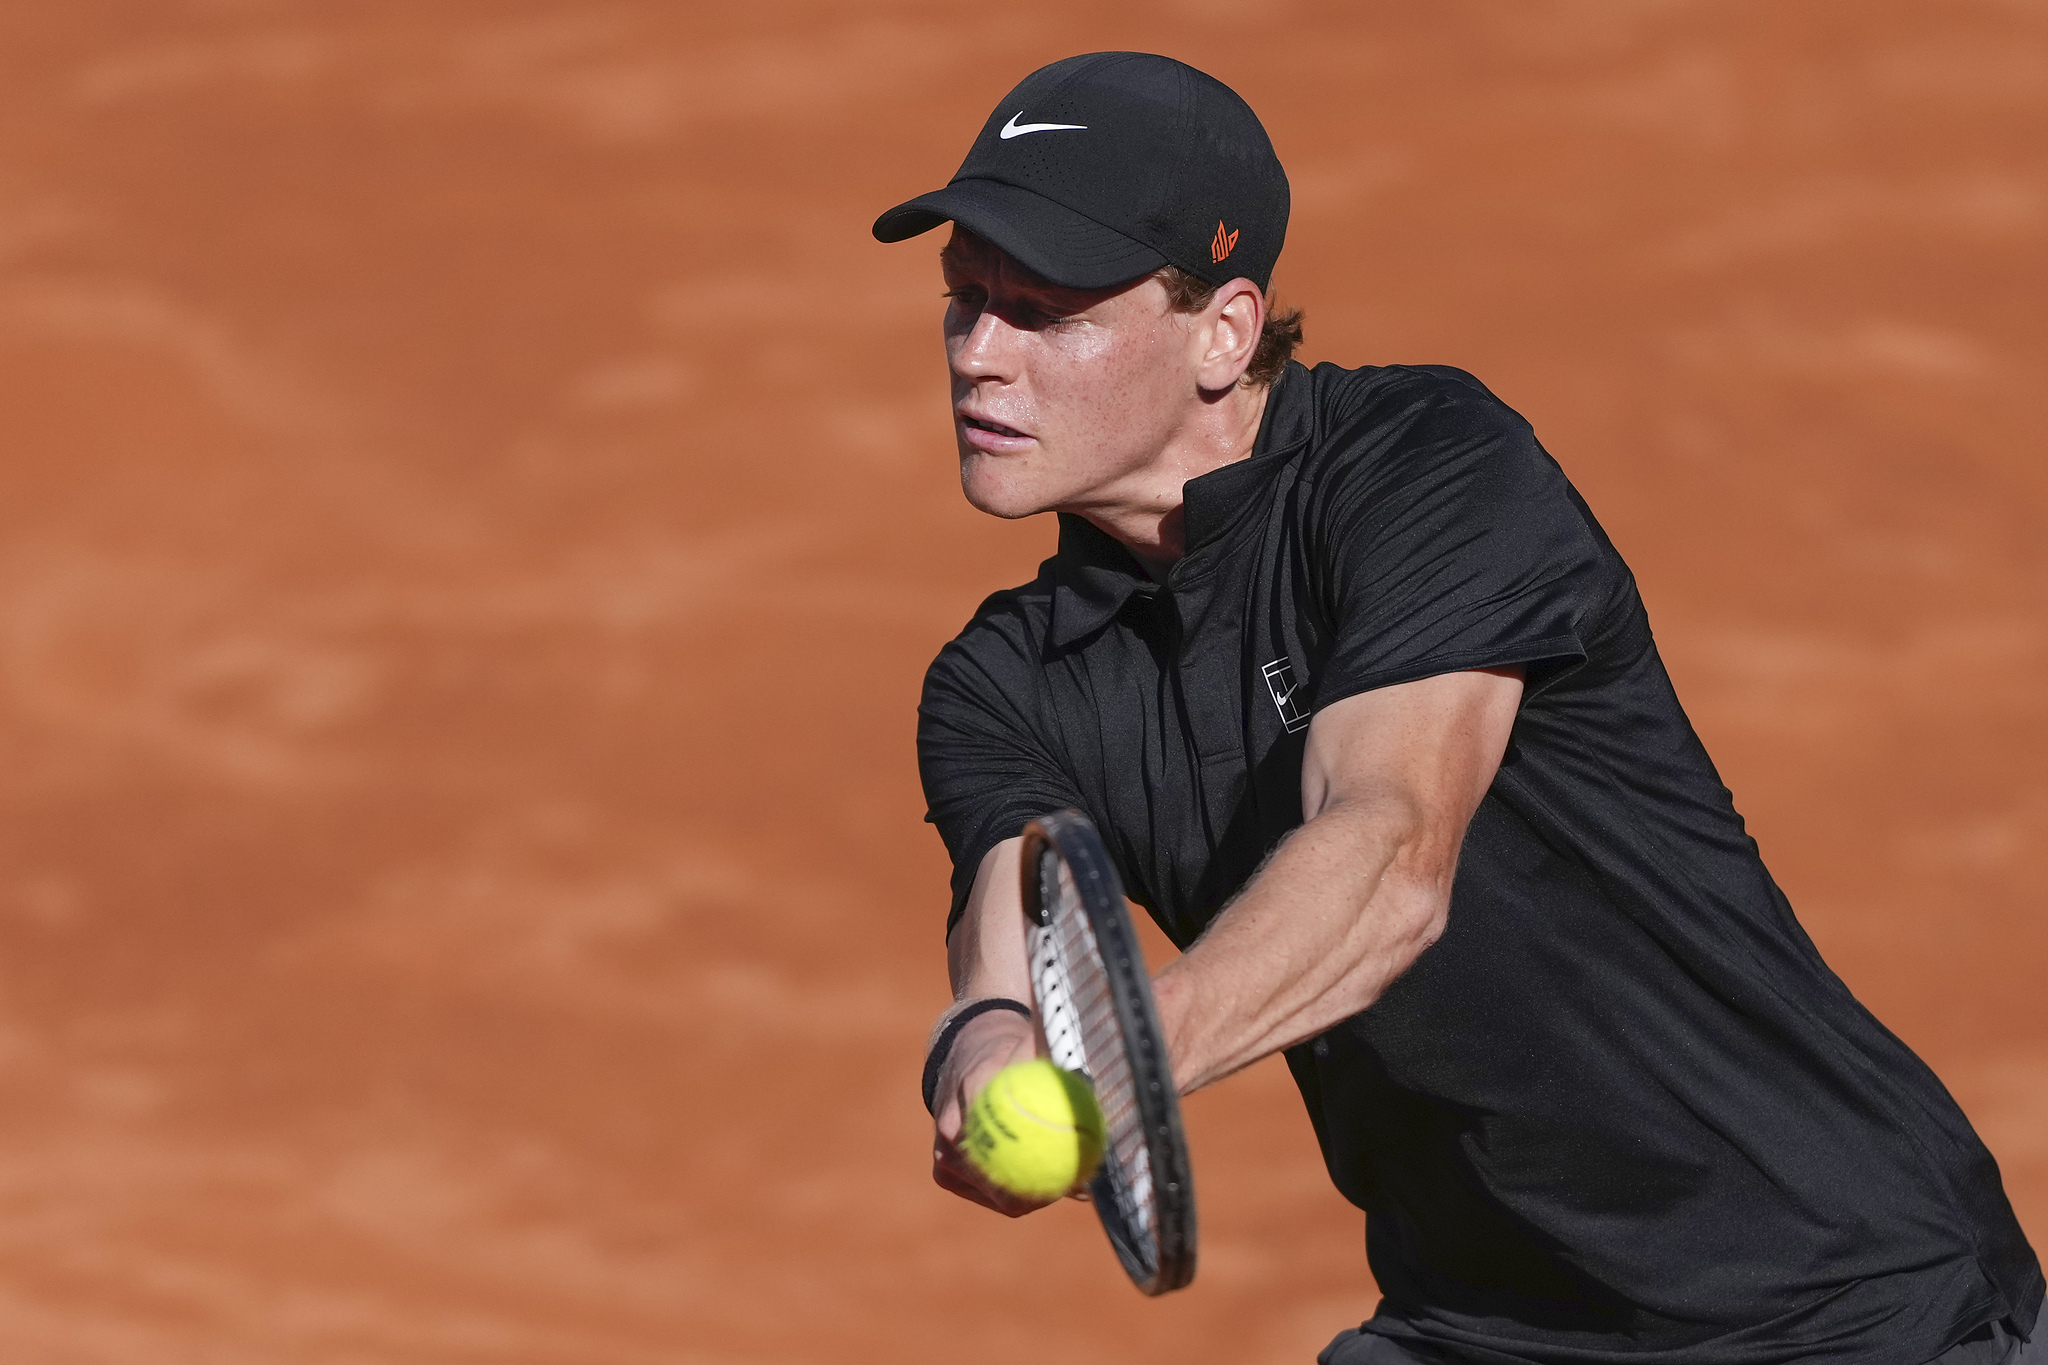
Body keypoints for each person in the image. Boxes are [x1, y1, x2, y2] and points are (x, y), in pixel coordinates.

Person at [872, 51, 2041, 1365]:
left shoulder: (1426, 466)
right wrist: (987, 1051)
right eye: (963, 298)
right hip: (1482, 1326)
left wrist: (1124, 1076)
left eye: (1043, 309)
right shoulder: (1000, 683)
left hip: (1845, 1305)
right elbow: (1006, 926)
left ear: (1225, 331)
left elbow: (1391, 856)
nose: (980, 354)